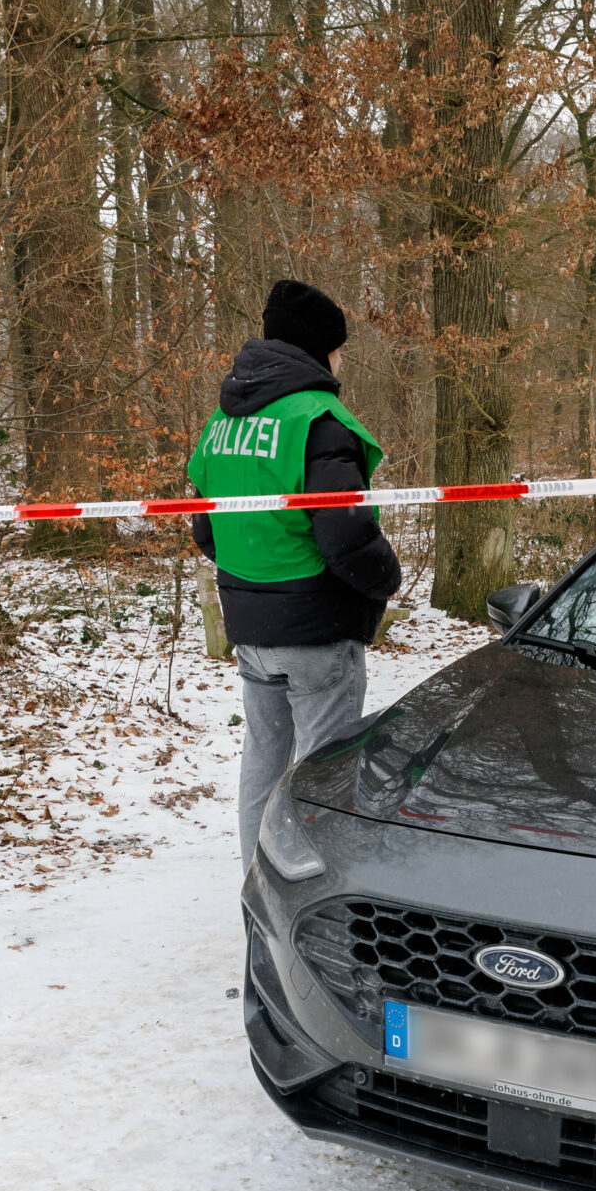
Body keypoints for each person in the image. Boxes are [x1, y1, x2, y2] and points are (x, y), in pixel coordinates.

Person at [188, 280, 401, 866]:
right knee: (323, 770)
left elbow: (205, 526)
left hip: (251, 627)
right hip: (317, 625)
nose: (342, 359)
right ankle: (310, 890)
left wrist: (255, 581)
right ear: (318, 348)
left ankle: (260, 876)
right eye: (339, 347)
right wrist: (387, 579)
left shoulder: (222, 420)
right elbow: (346, 535)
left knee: (263, 757)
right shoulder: (320, 418)